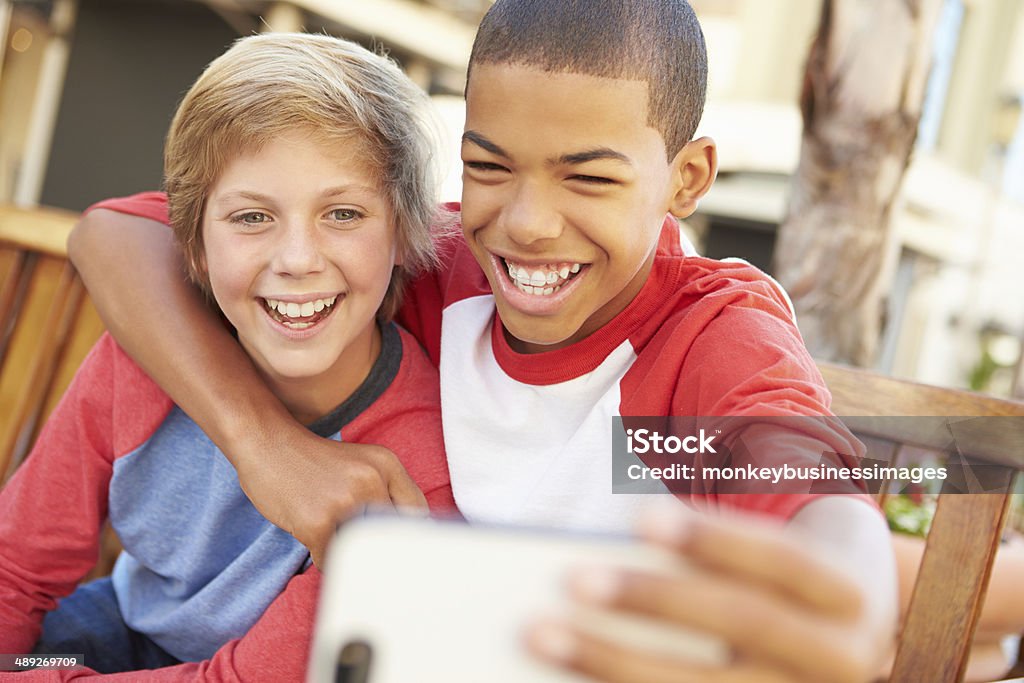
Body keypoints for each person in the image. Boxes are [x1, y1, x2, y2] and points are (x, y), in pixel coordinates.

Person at [68, 1, 897, 680]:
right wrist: (266, 448)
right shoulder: (448, 266)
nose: (529, 224)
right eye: (490, 167)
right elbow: (113, 238)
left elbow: (818, 494)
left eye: (590, 177)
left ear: (686, 178)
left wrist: (851, 607)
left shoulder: (703, 342)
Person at [0, 33, 453, 679]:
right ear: (193, 248)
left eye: (344, 213)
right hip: (109, 633)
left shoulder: (416, 468)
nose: (297, 260)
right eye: (251, 218)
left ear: (405, 235)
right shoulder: (138, 363)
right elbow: (16, 569)